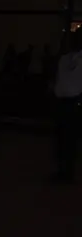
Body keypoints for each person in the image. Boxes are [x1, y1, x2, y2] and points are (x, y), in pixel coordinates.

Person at [52, 27, 82, 183]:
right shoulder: (64, 59)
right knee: (60, 138)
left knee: (70, 139)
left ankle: (67, 172)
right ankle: (61, 170)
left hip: (74, 103)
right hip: (61, 102)